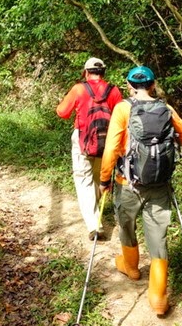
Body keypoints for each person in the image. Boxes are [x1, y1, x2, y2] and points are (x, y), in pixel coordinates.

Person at [99, 65, 182, 315]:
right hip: (159, 185)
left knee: (126, 225)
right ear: (153, 85)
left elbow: (110, 150)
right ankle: (159, 297)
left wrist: (104, 179)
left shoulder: (122, 108)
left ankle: (131, 268)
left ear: (128, 86)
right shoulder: (166, 109)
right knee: (158, 237)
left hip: (127, 183)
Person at [56, 57, 123, 240]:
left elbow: (62, 112)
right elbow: (122, 116)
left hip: (83, 140)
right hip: (107, 140)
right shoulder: (114, 90)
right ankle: (96, 213)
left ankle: (94, 225)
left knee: (84, 179)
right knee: (98, 177)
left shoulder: (79, 89)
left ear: (86, 72)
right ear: (104, 72)